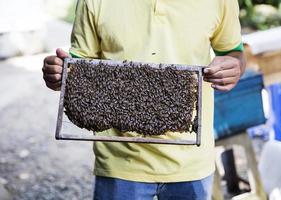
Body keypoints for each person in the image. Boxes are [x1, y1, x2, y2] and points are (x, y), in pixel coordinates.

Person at [42, 0, 246, 199]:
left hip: (191, 163)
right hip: (119, 162)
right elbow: (78, 69)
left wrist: (234, 66)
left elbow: (234, 53)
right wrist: (60, 74)